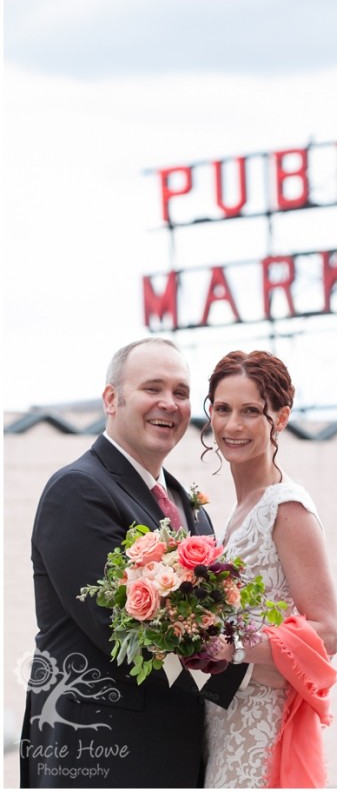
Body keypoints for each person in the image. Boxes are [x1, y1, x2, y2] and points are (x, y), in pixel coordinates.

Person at [20, 337, 248, 788]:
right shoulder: (78, 491)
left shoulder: (190, 504)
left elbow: (217, 618)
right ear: (111, 399)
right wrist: (250, 677)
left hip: (177, 755)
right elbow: (123, 634)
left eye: (181, 393)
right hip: (101, 754)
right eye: (153, 388)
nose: (169, 403)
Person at [200, 350, 337, 788]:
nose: (232, 426)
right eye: (222, 409)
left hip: (263, 726)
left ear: (279, 418)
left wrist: (234, 648)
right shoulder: (240, 509)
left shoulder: (286, 508)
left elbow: (328, 632)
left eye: (250, 412)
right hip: (223, 717)